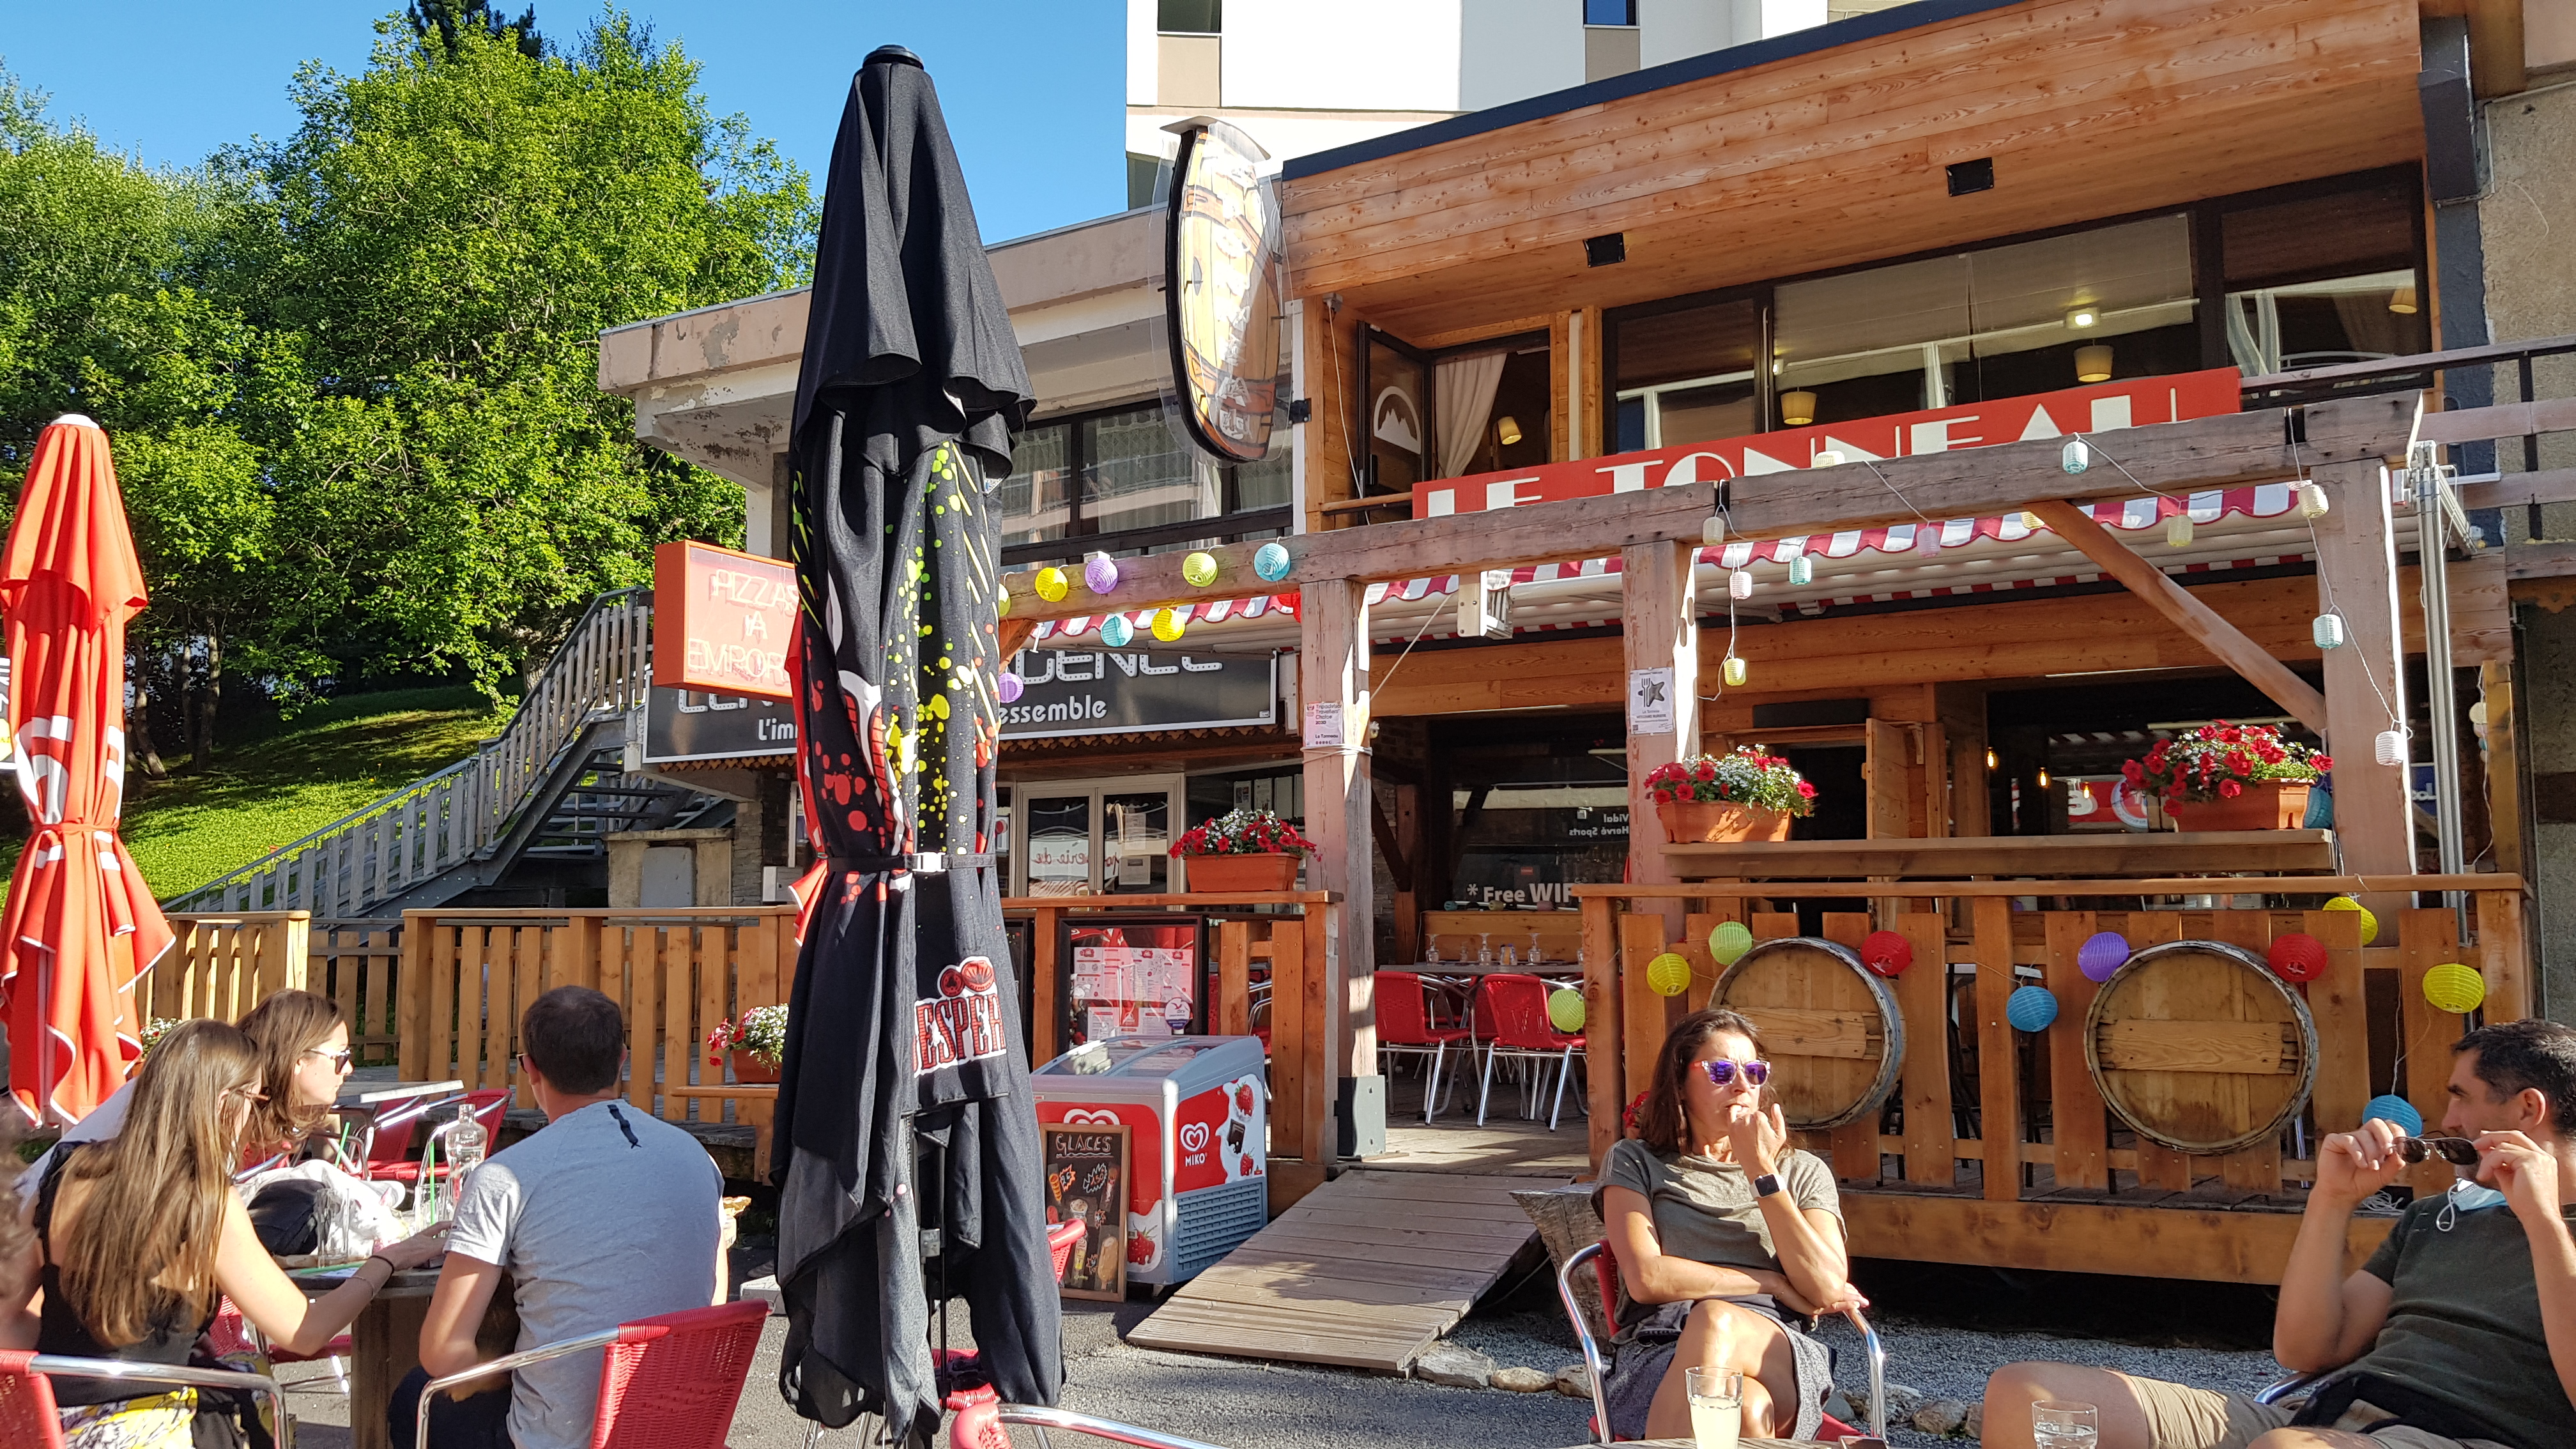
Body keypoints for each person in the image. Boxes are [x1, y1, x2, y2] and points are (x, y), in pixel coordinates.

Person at [1986, 1018, 2576, 1449]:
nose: (2447, 1122)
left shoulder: (2556, 1232)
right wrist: (2332, 1200)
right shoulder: (2436, 1218)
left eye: (2461, 1098)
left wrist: (2542, 1222)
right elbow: (2306, 1350)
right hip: (2323, 1419)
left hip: (2463, 1437)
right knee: (2031, 1397)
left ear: (2527, 1110)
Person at [19, 1019, 447, 1448]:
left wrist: (73, 1367)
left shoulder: (65, 1172)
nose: (253, 1115)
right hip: (155, 1428)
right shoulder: (205, 1203)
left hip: (50, 1426)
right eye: (255, 1099)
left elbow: (9, 1316)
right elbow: (305, 1331)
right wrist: (386, 1261)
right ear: (226, 1103)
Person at [401, 986, 726, 1449]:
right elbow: (712, 1300)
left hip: (561, 1437)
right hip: (675, 1424)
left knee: (413, 1398)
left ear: (529, 1068)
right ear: (621, 1060)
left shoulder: (505, 1177)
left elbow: (443, 1355)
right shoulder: (698, 1159)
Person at [1596, 1008, 1864, 1441]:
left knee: (1716, 1319)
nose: (1742, 1085)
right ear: (1679, 1084)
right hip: (1663, 1346)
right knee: (1747, 1410)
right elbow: (1647, 1279)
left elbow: (1827, 1288)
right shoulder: (1635, 1161)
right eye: (1721, 1071)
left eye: (1754, 1072)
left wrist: (1762, 1172)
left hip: (1777, 1347)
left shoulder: (1801, 1170)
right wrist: (1772, 1283)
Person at [19, 989, 360, 1198]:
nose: (349, 1069)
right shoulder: (217, 1098)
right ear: (299, 1059)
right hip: (36, 1234)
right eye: (341, 1056)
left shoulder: (245, 1099)